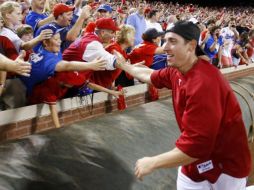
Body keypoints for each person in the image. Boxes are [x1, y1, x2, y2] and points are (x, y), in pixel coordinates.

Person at [114, 21, 251, 190]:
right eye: (165, 41)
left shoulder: (204, 83)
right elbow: (150, 75)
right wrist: (123, 65)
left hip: (226, 165)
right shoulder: (177, 70)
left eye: (172, 41)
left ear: (191, 46)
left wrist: (153, 162)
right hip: (196, 162)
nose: (165, 47)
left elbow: (197, 145)